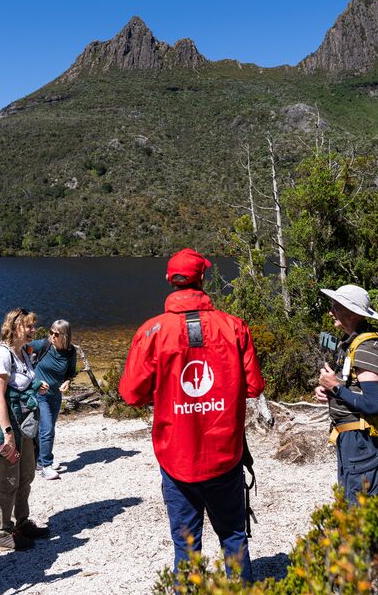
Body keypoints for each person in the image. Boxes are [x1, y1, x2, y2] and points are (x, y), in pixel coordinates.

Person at [119, 248, 264, 581]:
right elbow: (254, 385)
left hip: (176, 457)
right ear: (203, 278)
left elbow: (130, 393)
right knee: (233, 537)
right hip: (225, 456)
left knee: (185, 545)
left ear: (170, 280)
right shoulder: (234, 327)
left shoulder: (152, 331)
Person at [315, 284, 378, 503]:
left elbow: (370, 404)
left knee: (360, 501)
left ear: (352, 313)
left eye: (336, 306)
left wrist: (335, 388)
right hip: (350, 435)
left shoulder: (367, 348)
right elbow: (354, 387)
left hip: (360, 438)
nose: (331, 311)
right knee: (353, 497)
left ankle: (369, 538)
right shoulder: (354, 342)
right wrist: (330, 391)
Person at [0, 308, 51, 551]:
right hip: (9, 426)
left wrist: (36, 386)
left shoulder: (22, 352)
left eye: (34, 326)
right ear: (14, 327)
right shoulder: (1, 355)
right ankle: (3, 532)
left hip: (24, 425)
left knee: (26, 475)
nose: (33, 331)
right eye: (29, 327)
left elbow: (21, 385)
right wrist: (7, 432)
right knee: (8, 479)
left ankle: (22, 522)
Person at [30, 319, 78, 480]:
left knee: (44, 429)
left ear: (64, 336)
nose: (52, 335)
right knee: (47, 429)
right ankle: (46, 465)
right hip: (39, 395)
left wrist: (67, 381)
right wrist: (33, 382)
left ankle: (38, 460)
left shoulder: (70, 352)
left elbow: (70, 372)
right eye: (51, 331)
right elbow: (19, 352)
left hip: (55, 396)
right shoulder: (42, 345)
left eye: (56, 333)